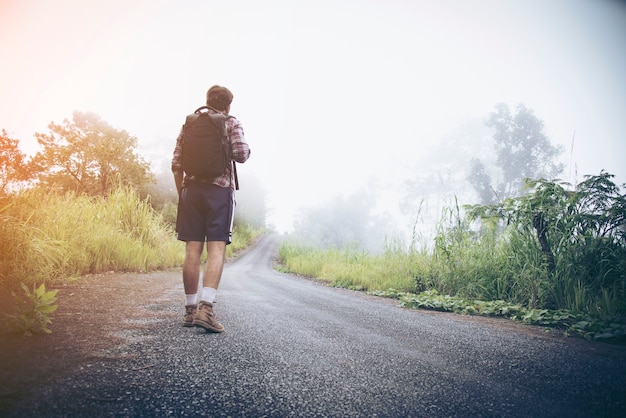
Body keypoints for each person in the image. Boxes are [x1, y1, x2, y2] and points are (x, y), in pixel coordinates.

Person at [171, 85, 251, 332]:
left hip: (191, 192)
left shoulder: (189, 124)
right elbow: (241, 154)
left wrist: (182, 195)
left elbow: (176, 164)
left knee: (192, 251)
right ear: (228, 105)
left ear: (207, 101)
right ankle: (206, 311)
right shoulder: (231, 122)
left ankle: (189, 311)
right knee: (216, 250)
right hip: (219, 192)